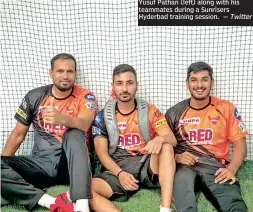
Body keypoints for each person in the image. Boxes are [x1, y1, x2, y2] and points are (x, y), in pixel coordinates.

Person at [1, 53, 97, 212]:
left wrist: (63, 119)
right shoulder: (34, 96)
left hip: (71, 166)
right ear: (51, 73)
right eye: (60, 71)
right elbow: (18, 134)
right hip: (40, 165)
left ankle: (81, 205)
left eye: (70, 72)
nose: (65, 76)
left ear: (75, 74)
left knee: (74, 133)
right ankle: (48, 201)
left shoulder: (86, 96)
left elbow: (85, 123)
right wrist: (5, 166)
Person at [90, 64, 176, 212]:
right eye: (119, 83)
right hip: (119, 168)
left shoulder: (151, 111)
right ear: (113, 86)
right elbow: (101, 152)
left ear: (136, 85)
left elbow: (172, 139)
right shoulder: (102, 117)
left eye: (129, 83)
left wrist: (160, 139)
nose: (124, 89)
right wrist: (120, 173)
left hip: (147, 165)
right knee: (86, 190)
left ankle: (165, 209)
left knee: (167, 146)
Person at [165, 61, 248, 212]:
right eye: (194, 80)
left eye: (204, 79)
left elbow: (240, 144)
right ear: (187, 84)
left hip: (215, 166)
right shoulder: (173, 113)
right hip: (184, 167)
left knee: (236, 207)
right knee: (185, 204)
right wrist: (178, 157)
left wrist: (232, 168)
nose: (199, 85)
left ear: (212, 82)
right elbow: (164, 147)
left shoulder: (226, 108)